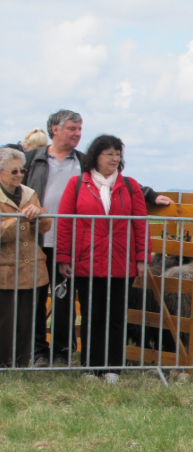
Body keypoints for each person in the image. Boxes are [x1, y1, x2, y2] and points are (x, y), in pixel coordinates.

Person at [24, 109, 171, 368]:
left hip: (74, 246)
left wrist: (152, 195)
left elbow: (123, 186)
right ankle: (37, 353)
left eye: (80, 129)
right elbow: (14, 184)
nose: (78, 134)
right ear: (55, 129)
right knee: (34, 300)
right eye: (72, 128)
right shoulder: (32, 159)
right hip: (35, 240)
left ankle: (62, 352)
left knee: (65, 301)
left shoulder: (83, 163)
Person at [55, 135, 152, 383]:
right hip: (87, 261)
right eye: (109, 153)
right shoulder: (77, 184)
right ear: (95, 156)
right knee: (90, 315)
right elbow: (65, 223)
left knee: (117, 316)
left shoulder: (130, 186)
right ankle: (90, 367)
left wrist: (142, 257)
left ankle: (112, 369)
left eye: (118, 153)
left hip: (121, 262)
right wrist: (64, 256)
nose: (114, 158)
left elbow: (141, 225)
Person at [0, 148, 50, 367]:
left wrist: (39, 215)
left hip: (32, 271)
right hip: (5, 271)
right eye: (14, 171)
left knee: (26, 322)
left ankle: (21, 365)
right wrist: (21, 218)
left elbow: (45, 226)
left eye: (22, 170)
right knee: (5, 322)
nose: (19, 174)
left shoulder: (29, 193)